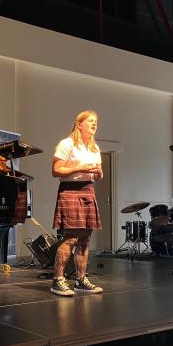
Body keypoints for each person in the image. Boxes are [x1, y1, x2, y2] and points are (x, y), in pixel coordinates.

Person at [51, 110, 104, 296]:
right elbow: (56, 170)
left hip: (88, 190)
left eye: (96, 121)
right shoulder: (66, 144)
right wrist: (80, 167)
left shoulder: (94, 148)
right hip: (70, 190)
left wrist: (98, 173)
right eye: (90, 121)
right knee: (71, 238)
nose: (94, 124)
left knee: (85, 240)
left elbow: (99, 174)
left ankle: (81, 279)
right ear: (79, 124)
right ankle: (58, 280)